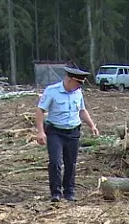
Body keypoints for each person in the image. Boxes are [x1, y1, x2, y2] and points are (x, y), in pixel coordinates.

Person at [35, 67, 99, 202]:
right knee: (55, 162)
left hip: (73, 132)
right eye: (77, 84)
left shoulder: (78, 92)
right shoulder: (52, 91)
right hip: (55, 132)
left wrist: (92, 125)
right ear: (69, 80)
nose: (79, 87)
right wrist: (40, 132)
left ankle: (69, 191)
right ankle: (56, 193)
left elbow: (82, 111)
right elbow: (40, 111)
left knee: (71, 163)